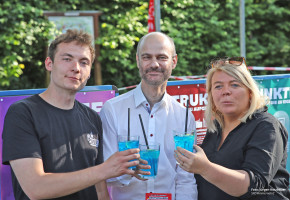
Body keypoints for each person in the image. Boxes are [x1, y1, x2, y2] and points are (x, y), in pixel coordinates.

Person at [2, 29, 142, 200]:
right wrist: (105, 169)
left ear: (89, 72)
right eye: (67, 59)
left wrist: (105, 172)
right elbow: (36, 188)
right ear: (49, 63)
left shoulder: (92, 118)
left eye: (84, 62)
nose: (75, 68)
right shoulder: (23, 113)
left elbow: (99, 189)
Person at [99, 32, 198, 200]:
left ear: (174, 61)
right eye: (147, 57)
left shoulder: (184, 115)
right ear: (138, 60)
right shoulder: (112, 109)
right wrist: (128, 171)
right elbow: (104, 174)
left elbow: (185, 179)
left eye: (161, 57)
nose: (154, 64)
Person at [175, 57, 290, 200]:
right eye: (218, 86)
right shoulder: (215, 128)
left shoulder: (266, 126)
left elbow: (254, 187)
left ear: (250, 92)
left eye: (234, 85)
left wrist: (205, 168)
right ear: (211, 96)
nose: (225, 91)